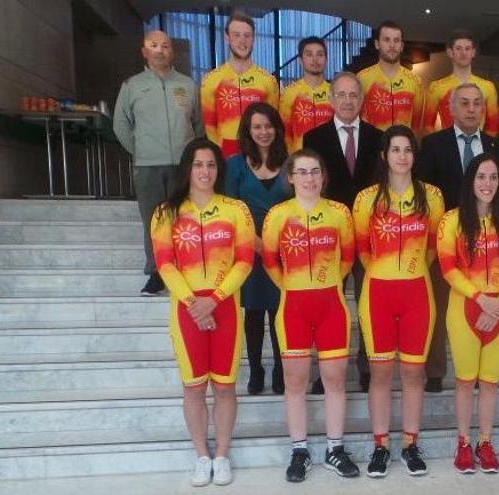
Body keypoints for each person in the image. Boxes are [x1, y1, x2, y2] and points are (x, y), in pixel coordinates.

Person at [150, 138, 255, 487]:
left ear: (218, 170)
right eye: (198, 164)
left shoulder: (236, 210)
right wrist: (195, 304)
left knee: (225, 387)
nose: (205, 171)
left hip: (225, 306)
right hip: (187, 310)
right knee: (194, 388)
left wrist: (216, 298)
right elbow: (165, 265)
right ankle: (201, 456)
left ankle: (222, 455)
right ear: (187, 168)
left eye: (211, 165)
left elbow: (245, 260)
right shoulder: (166, 213)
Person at [261, 149, 360, 482]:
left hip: (332, 303)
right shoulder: (277, 214)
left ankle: (334, 448)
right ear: (290, 178)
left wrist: (325, 281)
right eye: (302, 172)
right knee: (295, 382)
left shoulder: (339, 213)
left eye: (315, 171)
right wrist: (292, 284)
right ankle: (299, 450)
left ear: (323, 176)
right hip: (293, 308)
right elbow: (271, 260)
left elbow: (347, 257)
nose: (309, 178)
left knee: (334, 380)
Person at [352, 125, 445, 478]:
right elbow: (361, 250)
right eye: (396, 150)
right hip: (377, 293)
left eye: (408, 150)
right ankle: (379, 446)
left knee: (412, 372)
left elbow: (435, 246)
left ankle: (409, 443)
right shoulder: (366, 199)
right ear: (384, 155)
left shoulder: (432, 196)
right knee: (380, 372)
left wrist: (410, 270)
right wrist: (386, 272)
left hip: (417, 293)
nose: (402, 156)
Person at [416, 82, 499, 393]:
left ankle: (483, 367)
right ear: (452, 109)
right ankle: (435, 371)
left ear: (483, 109)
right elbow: (426, 194)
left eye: (476, 104)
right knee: (442, 306)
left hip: (489, 243)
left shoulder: (497, 147)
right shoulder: (432, 145)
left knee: (485, 301)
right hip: (447, 238)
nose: (471, 109)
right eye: (464, 103)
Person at [438, 153, 499, 475]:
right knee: (464, 381)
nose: (486, 184)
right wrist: (480, 298)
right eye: (480, 177)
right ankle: (463, 442)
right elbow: (448, 268)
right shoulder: (451, 221)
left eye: (492, 177)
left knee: (489, 383)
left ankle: (485, 442)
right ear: (470, 181)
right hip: (464, 308)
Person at [303, 71, 383, 393]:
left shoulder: (379, 138)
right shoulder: (314, 138)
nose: (348, 101)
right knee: (329, 305)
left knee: (366, 302)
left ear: (361, 100)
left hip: (368, 235)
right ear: (331, 98)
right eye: (342, 95)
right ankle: (327, 371)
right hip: (329, 236)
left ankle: (366, 367)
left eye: (354, 95)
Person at [113, 30, 203, 297]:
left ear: (172, 51)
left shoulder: (187, 85)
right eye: (154, 45)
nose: (160, 50)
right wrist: (140, 151)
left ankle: (189, 268)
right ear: (144, 51)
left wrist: (191, 158)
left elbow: (198, 125)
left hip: (182, 166)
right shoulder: (132, 86)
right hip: (148, 166)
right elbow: (121, 125)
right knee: (153, 220)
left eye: (165, 45)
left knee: (185, 218)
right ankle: (156, 273)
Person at [224, 102, 291, 395]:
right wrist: (258, 243)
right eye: (257, 127)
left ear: (276, 128)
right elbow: (230, 208)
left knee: (279, 310)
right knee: (252, 312)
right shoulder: (235, 165)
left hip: (285, 249)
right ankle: (255, 369)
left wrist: (277, 245)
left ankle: (279, 368)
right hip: (248, 250)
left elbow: (297, 206)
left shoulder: (290, 162)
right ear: (248, 131)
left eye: (268, 126)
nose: (263, 132)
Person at [202, 11, 281, 158]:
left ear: (253, 38)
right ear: (227, 37)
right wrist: (218, 153)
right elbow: (209, 125)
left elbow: (273, 122)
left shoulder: (268, 81)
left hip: (260, 150)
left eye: (247, 35)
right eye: (236, 35)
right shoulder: (211, 80)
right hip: (225, 151)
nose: (242, 41)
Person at [420, 30, 498, 136]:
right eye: (458, 48)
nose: (463, 53)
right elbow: (427, 125)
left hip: (480, 149)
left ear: (473, 52)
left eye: (467, 48)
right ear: (450, 52)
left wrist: (484, 149)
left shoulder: (488, 87)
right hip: (447, 148)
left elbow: (493, 126)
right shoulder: (437, 87)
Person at [357, 20, 424, 131]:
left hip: (404, 146)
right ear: (377, 44)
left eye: (396, 40)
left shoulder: (415, 81)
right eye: (386, 40)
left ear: (402, 46)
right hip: (372, 147)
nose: (392, 45)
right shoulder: (361, 78)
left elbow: (416, 126)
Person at [278, 37, 334, 152]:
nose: (315, 60)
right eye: (309, 55)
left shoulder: (335, 92)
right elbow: (284, 133)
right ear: (300, 60)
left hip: (330, 159)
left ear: (326, 59)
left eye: (320, 54)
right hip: (299, 161)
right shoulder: (289, 93)